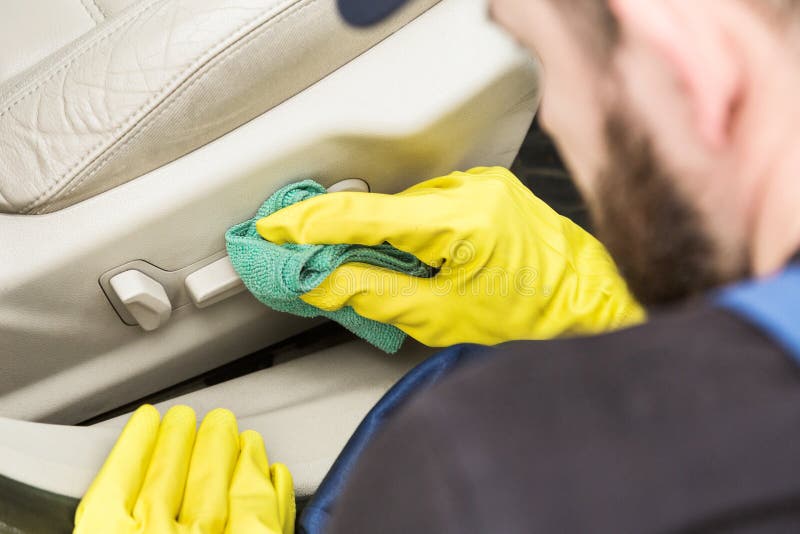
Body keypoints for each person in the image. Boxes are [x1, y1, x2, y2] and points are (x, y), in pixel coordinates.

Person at [76, 0, 800, 532]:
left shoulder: (474, 479)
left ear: (688, 61)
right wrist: (606, 312)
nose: (558, 124)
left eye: (544, 60)